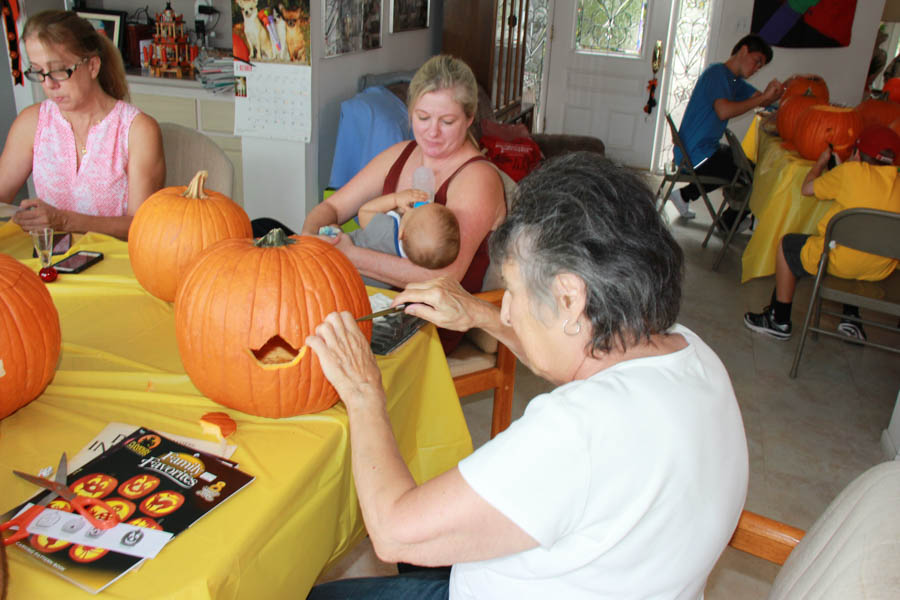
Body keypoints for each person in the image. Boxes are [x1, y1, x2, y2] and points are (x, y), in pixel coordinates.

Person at [304, 152, 748, 599]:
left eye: (513, 292)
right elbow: (579, 369)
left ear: (571, 299)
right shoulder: (691, 354)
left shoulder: (574, 433)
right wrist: (481, 315)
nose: (509, 310)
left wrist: (364, 393)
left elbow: (394, 530)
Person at [301, 55, 506, 350]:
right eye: (423, 118)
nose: (432, 132)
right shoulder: (401, 153)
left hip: (427, 323)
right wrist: (311, 237)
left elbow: (443, 276)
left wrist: (351, 255)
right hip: (368, 298)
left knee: (314, 339)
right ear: (409, 113)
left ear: (469, 118)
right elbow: (332, 208)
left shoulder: (478, 179)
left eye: (447, 121)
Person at [0, 10, 165, 240]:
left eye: (58, 70)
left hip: (117, 267)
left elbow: (140, 226)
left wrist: (63, 220)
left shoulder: (137, 130)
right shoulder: (31, 123)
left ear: (93, 66)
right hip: (50, 264)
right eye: (38, 71)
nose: (48, 84)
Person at [744, 125, 900, 343]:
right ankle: (850, 319)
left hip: (836, 261)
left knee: (789, 245)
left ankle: (778, 319)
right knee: (859, 243)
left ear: (856, 153)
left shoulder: (849, 173)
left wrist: (820, 165)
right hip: (879, 269)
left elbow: (807, 189)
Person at [669, 34, 783, 229]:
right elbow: (723, 111)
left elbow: (762, 100)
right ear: (743, 50)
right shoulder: (717, 74)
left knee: (743, 165)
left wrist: (777, 97)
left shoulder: (733, 80)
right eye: (757, 62)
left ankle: (683, 195)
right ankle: (728, 223)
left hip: (699, 150)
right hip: (696, 155)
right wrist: (762, 99)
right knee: (754, 175)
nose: (756, 69)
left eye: (760, 67)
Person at [337, 188, 460, 288]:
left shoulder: (388, 226)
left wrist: (395, 199)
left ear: (401, 233)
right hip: (360, 287)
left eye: (413, 211)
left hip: (338, 261)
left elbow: (365, 212)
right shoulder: (411, 259)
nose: (410, 210)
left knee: (330, 232)